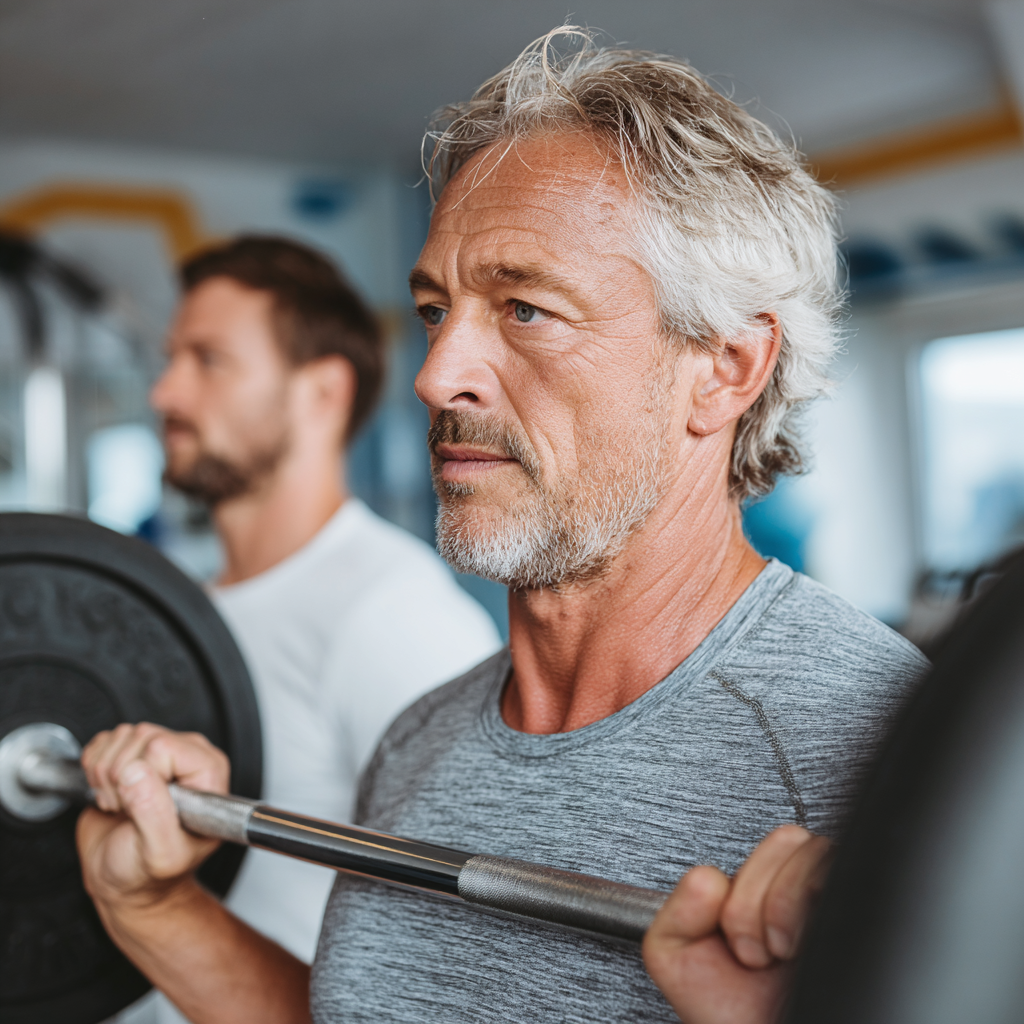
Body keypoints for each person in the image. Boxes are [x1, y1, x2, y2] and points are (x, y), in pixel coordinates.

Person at [78, 30, 928, 1024]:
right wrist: (155, 904)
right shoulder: (421, 738)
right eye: (437, 311)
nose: (437, 376)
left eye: (524, 309)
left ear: (726, 369)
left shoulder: (881, 757)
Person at [141, 236, 501, 1021]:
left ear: (321, 394)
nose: (166, 393)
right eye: (171, 359)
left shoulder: (392, 613)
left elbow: (474, 946)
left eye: (209, 360)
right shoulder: (187, 608)